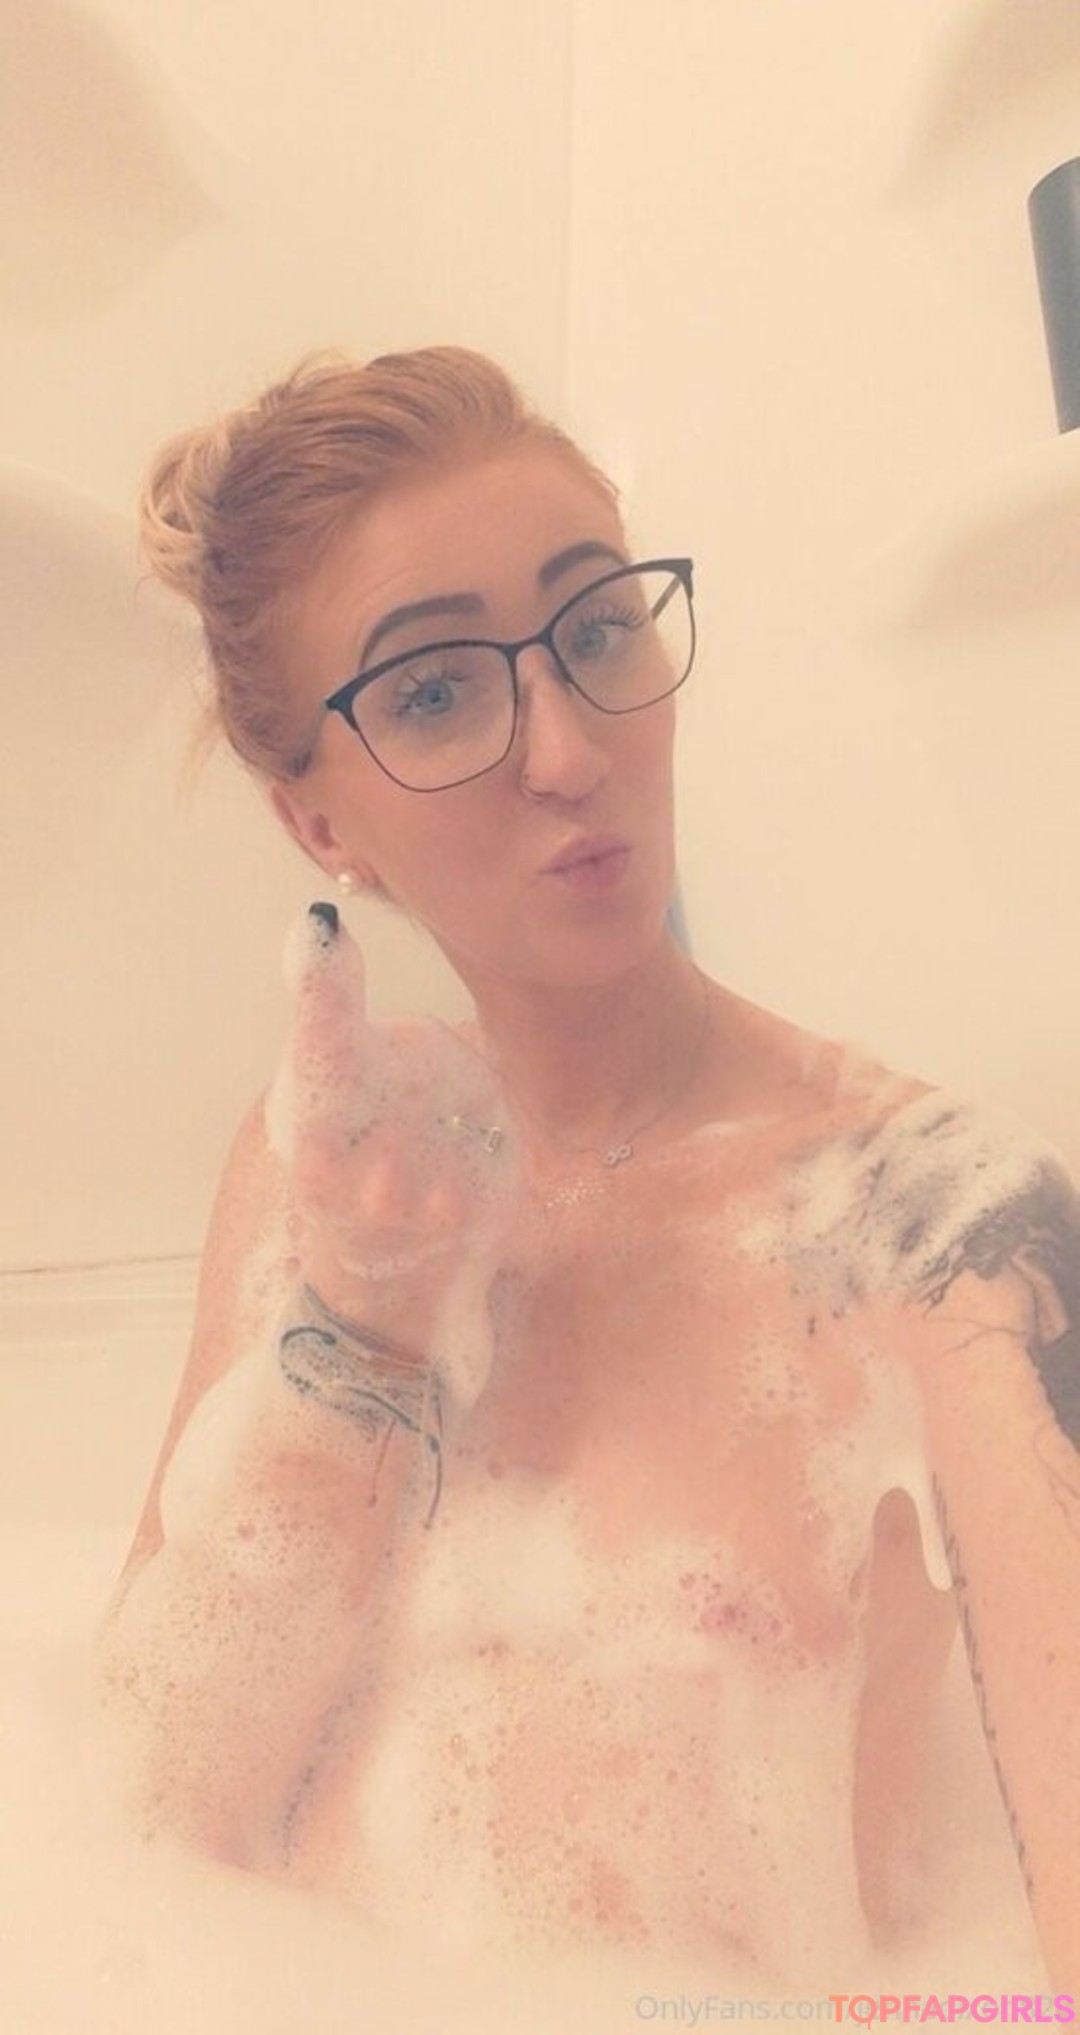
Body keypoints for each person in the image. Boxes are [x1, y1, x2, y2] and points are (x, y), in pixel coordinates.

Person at [95, 347, 1080, 1991]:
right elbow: (146, 1817)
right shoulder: (316, 1180)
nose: (565, 748)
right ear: (316, 826)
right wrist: (366, 1334)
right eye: (435, 691)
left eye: (599, 628)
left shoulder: (947, 1232)